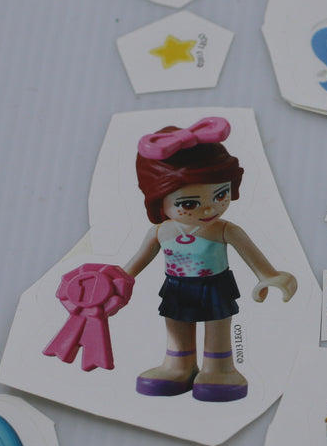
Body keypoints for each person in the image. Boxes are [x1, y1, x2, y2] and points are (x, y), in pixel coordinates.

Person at [124, 117, 296, 401]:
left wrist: (270, 276)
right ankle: (178, 366)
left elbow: (256, 259)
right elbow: (135, 264)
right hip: (177, 287)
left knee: (218, 326)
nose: (209, 209)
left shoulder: (225, 230)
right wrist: (114, 281)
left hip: (215, 285)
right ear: (158, 199)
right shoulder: (161, 231)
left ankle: (219, 369)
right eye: (189, 203)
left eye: (220, 195)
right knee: (176, 324)